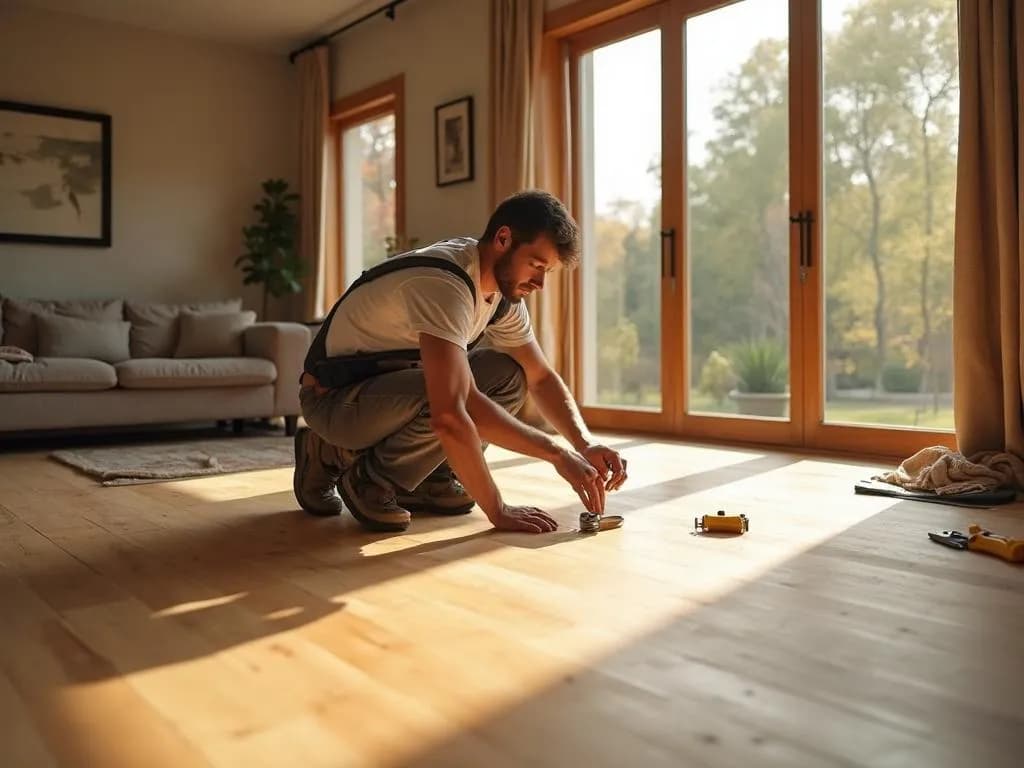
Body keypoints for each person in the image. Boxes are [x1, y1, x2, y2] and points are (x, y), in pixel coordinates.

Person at [294, 190, 628, 534]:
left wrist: (585, 444)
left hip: (389, 393)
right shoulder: (445, 283)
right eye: (537, 265)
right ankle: (359, 471)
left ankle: (429, 475)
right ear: (503, 238)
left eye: (548, 272)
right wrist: (501, 506)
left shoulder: (501, 295)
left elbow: (540, 378)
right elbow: (452, 412)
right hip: (333, 400)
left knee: (508, 375)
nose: (541, 283)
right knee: (444, 394)